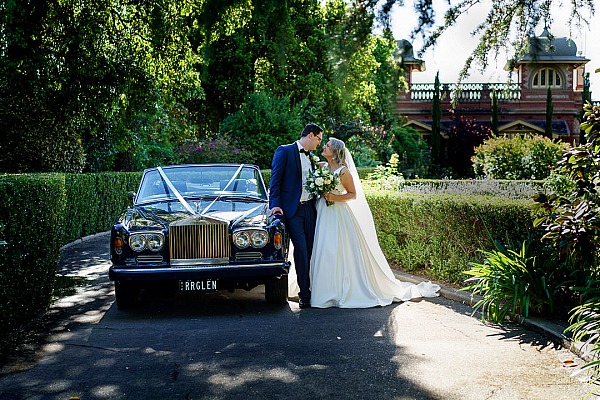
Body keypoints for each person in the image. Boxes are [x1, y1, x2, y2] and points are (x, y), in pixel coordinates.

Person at [307, 137, 440, 308]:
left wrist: (334, 197)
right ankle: (324, 291)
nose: (324, 146)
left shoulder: (343, 172)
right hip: (323, 212)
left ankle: (341, 291)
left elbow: (352, 194)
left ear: (335, 152)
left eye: (328, 145)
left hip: (338, 213)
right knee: (324, 248)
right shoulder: (323, 167)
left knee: (338, 250)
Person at [269, 123, 324, 308]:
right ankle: (305, 294)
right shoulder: (284, 151)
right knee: (300, 250)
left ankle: (314, 288)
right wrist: (274, 206)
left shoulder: (313, 158)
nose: (319, 143)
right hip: (293, 211)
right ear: (310, 135)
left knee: (311, 250)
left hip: (311, 209)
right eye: (318, 139)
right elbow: (275, 181)